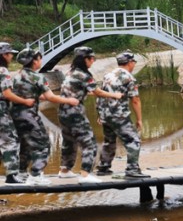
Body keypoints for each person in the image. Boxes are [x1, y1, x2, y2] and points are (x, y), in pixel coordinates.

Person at [11, 48, 79, 186]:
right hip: (30, 116)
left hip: (16, 116)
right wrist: (69, 100)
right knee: (43, 144)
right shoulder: (38, 77)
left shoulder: (17, 76)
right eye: (39, 58)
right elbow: (50, 97)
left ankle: (22, 173)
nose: (40, 61)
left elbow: (32, 95)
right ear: (33, 61)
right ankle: (35, 175)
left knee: (25, 144)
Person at [58, 46, 122, 184]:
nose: (93, 61)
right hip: (75, 112)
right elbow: (98, 92)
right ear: (85, 59)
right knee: (89, 143)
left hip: (63, 111)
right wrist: (114, 95)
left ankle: (64, 170)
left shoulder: (71, 72)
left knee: (69, 141)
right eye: (91, 58)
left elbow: (86, 90)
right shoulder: (84, 75)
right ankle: (85, 174)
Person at [96, 52, 150, 178]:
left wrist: (100, 114)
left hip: (106, 114)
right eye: (134, 62)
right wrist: (139, 120)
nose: (134, 65)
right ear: (130, 62)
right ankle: (132, 169)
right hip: (119, 115)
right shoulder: (129, 78)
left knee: (109, 141)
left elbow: (100, 95)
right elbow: (135, 100)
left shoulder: (107, 75)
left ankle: (103, 168)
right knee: (133, 140)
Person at [0, 43, 36, 185]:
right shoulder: (2, 70)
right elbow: (7, 93)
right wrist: (25, 101)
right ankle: (11, 176)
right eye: (10, 53)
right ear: (3, 55)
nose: (12, 56)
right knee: (10, 140)